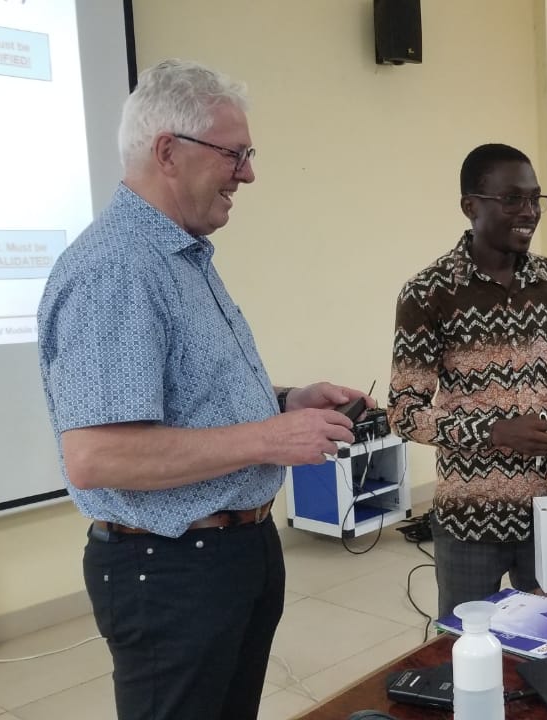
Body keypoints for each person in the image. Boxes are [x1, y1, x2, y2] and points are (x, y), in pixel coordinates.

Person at [37, 60, 373, 720]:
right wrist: (271, 438)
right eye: (236, 154)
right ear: (169, 151)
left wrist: (285, 403)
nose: (248, 173)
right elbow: (98, 455)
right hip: (169, 573)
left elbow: (191, 398)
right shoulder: (119, 269)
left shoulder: (179, 256)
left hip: (228, 558)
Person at [388, 143, 547, 617]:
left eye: (535, 199)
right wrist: (493, 432)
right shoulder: (429, 294)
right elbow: (405, 413)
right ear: (471, 206)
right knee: (471, 655)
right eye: (513, 200)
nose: (529, 213)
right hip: (469, 520)